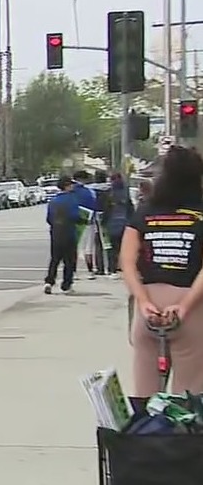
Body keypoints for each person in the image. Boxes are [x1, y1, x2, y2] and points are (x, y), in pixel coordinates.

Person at [122, 146, 203, 396]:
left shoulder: (145, 211)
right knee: (188, 395)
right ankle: (181, 434)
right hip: (191, 306)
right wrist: (185, 307)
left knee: (145, 392)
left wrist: (143, 301)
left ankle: (146, 433)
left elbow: (126, 261)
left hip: (148, 306)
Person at [44, 175, 82, 295]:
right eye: (70, 185)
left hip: (56, 233)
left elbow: (49, 218)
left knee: (55, 259)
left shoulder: (53, 201)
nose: (72, 186)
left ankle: (49, 282)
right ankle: (66, 284)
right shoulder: (72, 200)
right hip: (69, 233)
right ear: (66, 186)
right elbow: (75, 216)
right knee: (69, 261)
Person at [105, 172, 134, 276]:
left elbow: (106, 210)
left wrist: (104, 222)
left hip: (111, 224)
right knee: (124, 247)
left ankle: (112, 269)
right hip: (124, 223)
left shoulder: (109, 192)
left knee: (112, 248)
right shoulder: (126, 192)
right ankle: (123, 267)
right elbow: (131, 209)